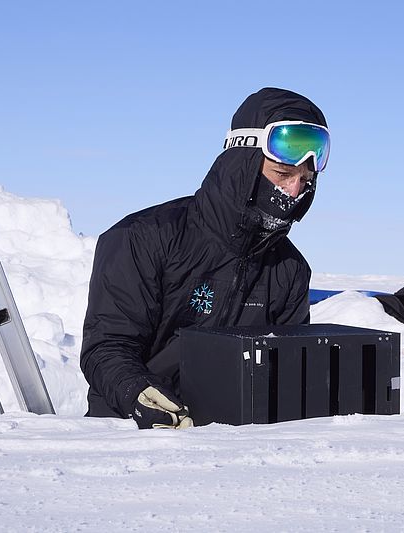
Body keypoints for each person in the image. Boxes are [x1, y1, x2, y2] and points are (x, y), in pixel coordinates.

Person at [80, 88, 331, 429]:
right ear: (243, 163)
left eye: (304, 181)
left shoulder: (290, 269)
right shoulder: (144, 237)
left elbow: (289, 368)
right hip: (128, 433)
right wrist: (137, 392)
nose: (293, 191)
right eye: (282, 175)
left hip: (234, 445)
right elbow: (107, 347)